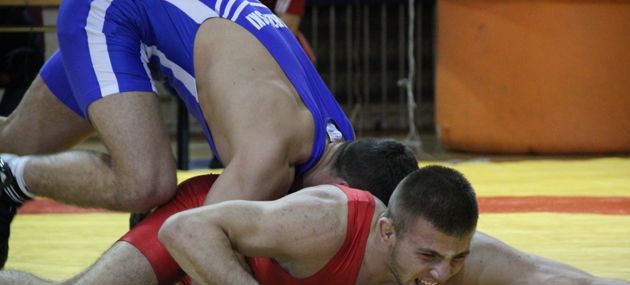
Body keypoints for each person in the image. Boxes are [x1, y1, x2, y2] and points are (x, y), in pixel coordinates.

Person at [1, 166, 630, 285]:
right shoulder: (330, 222)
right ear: (387, 231)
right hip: (203, 226)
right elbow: (186, 233)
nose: (440, 277)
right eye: (429, 256)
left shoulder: (464, 267)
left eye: (456, 259)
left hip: (221, 278)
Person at [0, 0, 417, 269]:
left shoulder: (341, 137)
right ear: (341, 189)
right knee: (146, 183)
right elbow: (191, 240)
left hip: (152, 19)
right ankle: (12, 179)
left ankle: (9, 163)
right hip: (112, 12)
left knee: (13, 140)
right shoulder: (270, 153)